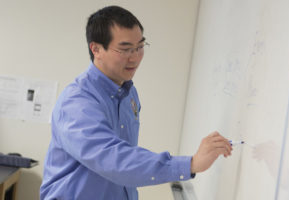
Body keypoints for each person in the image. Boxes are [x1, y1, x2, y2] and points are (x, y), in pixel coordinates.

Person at [40, 5, 232, 200]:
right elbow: (114, 160)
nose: (135, 57)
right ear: (96, 49)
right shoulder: (77, 102)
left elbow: (125, 163)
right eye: (125, 49)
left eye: (140, 47)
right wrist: (189, 164)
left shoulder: (129, 93)